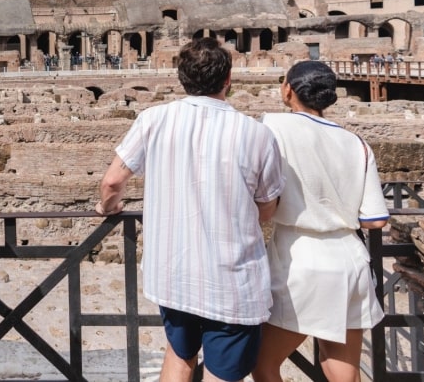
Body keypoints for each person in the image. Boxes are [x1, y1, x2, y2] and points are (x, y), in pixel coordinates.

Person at [96, 38, 283, 382]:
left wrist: (108, 206)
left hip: (173, 274)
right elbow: (267, 208)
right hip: (231, 281)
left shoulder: (153, 119)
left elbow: (111, 182)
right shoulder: (258, 135)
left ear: (181, 78)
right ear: (228, 79)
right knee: (221, 373)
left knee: (179, 355)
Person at [252, 61, 390, 382]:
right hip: (352, 261)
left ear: (288, 89)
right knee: (342, 369)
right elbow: (375, 221)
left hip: (302, 260)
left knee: (263, 364)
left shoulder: (271, 126)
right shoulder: (356, 143)